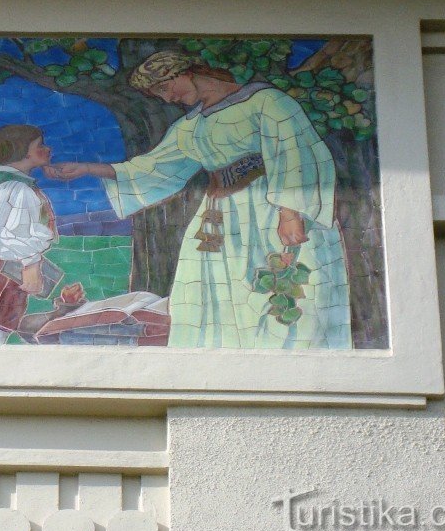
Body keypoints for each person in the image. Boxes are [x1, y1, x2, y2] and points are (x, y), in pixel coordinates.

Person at [46, 51, 351, 350]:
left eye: (164, 88)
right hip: (218, 219)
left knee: (281, 292)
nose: (167, 99)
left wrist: (290, 213)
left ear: (183, 72)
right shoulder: (190, 128)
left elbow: (296, 154)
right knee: (208, 297)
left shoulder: (267, 102)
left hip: (271, 212)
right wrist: (87, 168)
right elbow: (150, 169)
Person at [0, 125, 59, 343]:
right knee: (0, 318)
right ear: (23, 152)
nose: (47, 149)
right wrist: (31, 264)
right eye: (40, 146)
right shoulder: (17, 189)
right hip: (4, 264)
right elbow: (2, 236)